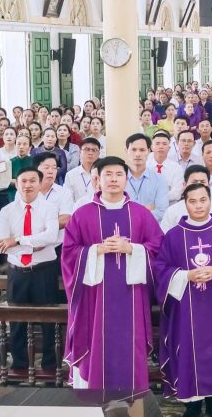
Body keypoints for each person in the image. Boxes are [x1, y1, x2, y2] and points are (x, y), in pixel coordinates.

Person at [61, 156, 165, 395]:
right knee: (97, 342)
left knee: (129, 345)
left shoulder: (140, 214)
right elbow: (68, 254)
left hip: (131, 297)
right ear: (98, 179)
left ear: (126, 179)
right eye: (108, 174)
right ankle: (95, 394)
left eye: (119, 174)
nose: (114, 179)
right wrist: (95, 250)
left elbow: (159, 249)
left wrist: (133, 249)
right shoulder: (82, 214)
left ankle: (132, 398)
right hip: (95, 297)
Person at [155, 183, 212, 416]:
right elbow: (161, 268)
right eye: (192, 201)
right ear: (185, 204)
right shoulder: (174, 236)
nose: (198, 206)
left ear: (210, 201)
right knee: (188, 351)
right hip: (185, 308)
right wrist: (185, 275)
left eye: (203, 200)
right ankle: (192, 404)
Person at [0, 166, 60, 371]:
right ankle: (20, 366)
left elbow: (50, 236)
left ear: (40, 184)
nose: (28, 185)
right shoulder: (7, 211)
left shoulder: (49, 208)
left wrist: (17, 240)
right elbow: (0, 245)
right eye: (23, 181)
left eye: (33, 181)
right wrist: (33, 244)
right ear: (17, 184)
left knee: (49, 321)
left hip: (44, 271)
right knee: (17, 321)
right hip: (17, 272)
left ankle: (50, 366)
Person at [161, 165, 212, 232]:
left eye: (202, 182)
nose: (198, 186)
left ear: (209, 185)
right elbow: (165, 238)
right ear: (184, 185)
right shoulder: (172, 211)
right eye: (194, 182)